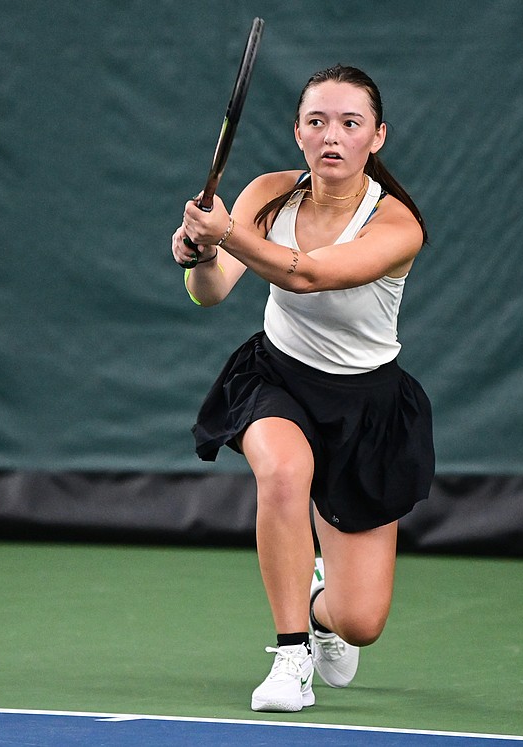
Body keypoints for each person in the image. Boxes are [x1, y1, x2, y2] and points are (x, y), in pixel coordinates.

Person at [171, 64, 435, 713]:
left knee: (361, 621)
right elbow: (211, 293)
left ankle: (320, 612)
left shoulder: (398, 225)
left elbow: (311, 276)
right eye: (317, 121)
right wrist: (200, 255)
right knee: (283, 471)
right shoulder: (267, 194)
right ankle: (291, 656)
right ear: (297, 131)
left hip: (367, 409)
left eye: (350, 123)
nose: (332, 136)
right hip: (278, 377)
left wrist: (226, 231)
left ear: (377, 137)